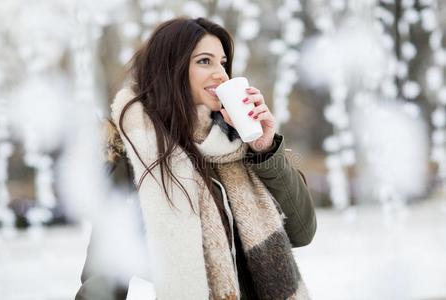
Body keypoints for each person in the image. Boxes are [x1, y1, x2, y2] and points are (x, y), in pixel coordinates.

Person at [76, 17, 316, 300]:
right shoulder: (138, 156)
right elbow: (105, 274)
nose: (221, 74)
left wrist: (265, 149)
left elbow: (302, 231)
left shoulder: (240, 143)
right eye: (205, 61)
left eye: (223, 62)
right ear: (171, 69)